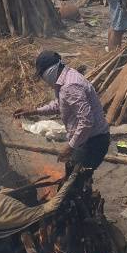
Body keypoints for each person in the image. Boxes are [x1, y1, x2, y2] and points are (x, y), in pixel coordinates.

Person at [25, 50, 110, 179]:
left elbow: (86, 121)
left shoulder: (70, 86)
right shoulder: (66, 78)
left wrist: (70, 147)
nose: (43, 80)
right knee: (75, 178)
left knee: (74, 183)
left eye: (42, 75)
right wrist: (34, 111)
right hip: (87, 139)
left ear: (50, 71)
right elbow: (61, 104)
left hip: (92, 142)